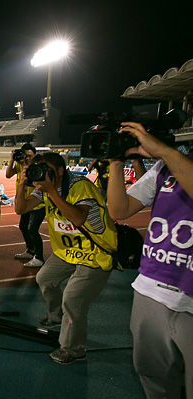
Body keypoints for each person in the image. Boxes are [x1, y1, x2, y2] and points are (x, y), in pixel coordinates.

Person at [106, 122, 193, 399]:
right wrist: (116, 163)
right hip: (151, 288)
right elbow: (120, 209)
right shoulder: (164, 167)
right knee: (153, 376)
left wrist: (167, 152)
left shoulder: (172, 160)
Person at [15, 152, 118, 365]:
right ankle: (56, 317)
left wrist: (52, 191)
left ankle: (73, 348)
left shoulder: (80, 186)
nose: (41, 174)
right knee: (44, 279)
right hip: (67, 253)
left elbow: (78, 218)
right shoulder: (43, 188)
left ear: (60, 171)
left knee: (73, 299)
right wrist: (21, 184)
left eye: (46, 169)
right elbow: (21, 208)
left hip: (96, 254)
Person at [6, 143, 46, 267]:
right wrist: (12, 160)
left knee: (32, 229)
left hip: (37, 204)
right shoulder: (19, 166)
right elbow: (8, 175)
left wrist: (27, 167)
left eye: (30, 156)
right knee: (23, 226)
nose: (28, 158)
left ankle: (39, 257)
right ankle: (30, 250)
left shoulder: (37, 168)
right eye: (26, 156)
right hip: (24, 204)